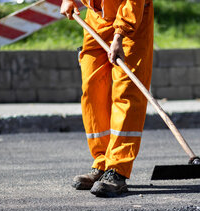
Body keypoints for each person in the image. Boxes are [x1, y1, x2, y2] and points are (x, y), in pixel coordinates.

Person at [60, 0, 154, 197]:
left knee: (126, 93)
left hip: (131, 22)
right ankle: (101, 163)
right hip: (97, 19)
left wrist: (119, 35)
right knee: (92, 89)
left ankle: (117, 170)